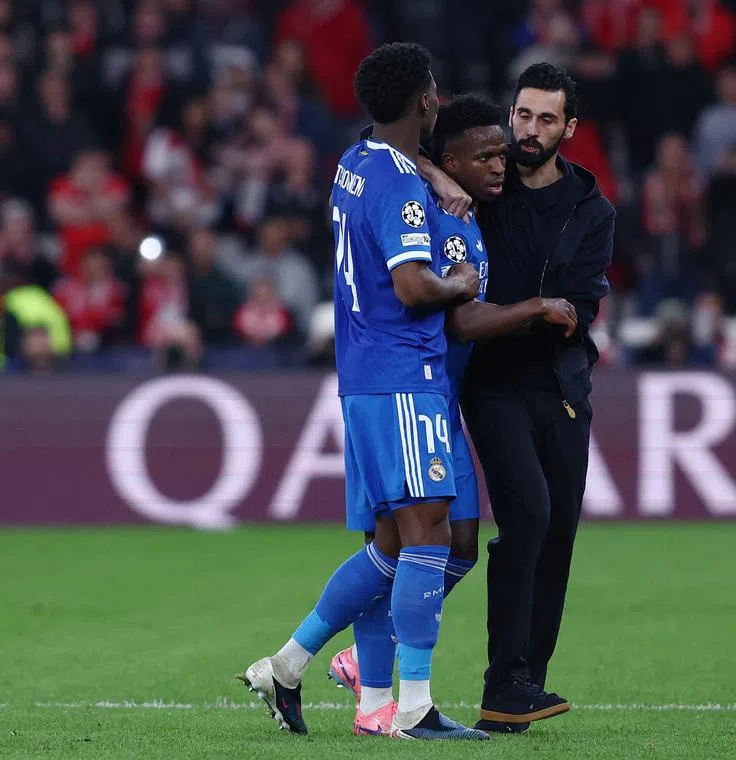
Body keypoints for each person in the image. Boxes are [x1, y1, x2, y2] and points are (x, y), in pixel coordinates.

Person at [238, 42, 489, 741]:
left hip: (363, 378)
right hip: (404, 374)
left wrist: (428, 169)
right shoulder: (402, 188)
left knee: (388, 543)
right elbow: (413, 288)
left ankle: (287, 664)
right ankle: (412, 706)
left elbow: (384, 160)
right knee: (429, 533)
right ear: (426, 102)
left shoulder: (355, 165)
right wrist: (460, 285)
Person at [323, 93, 579, 736]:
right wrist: (534, 307)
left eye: (502, 153)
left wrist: (440, 172)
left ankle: (327, 664)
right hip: (405, 385)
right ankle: (382, 690)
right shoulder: (430, 206)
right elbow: (457, 317)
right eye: (486, 156)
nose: (499, 165)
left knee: (448, 542)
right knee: (408, 541)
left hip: (428, 393)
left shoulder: (451, 194)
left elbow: (383, 138)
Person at [421, 63, 615, 733]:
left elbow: (582, 309)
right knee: (528, 513)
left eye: (544, 120)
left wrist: (551, 315)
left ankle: (520, 686)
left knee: (557, 530)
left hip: (561, 386)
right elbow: (396, 152)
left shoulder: (591, 211)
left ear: (570, 129)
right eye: (522, 115)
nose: (527, 131)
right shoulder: (482, 182)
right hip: (493, 379)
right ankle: (504, 676)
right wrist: (443, 177)